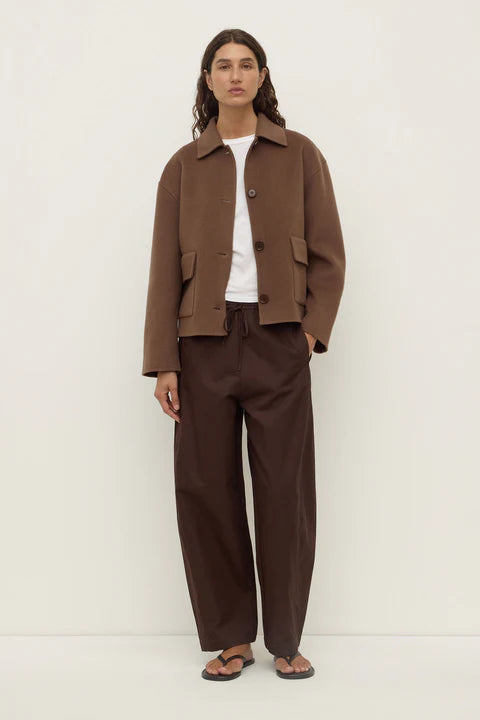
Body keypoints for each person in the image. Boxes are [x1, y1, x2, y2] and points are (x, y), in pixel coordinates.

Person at [142, 28, 346, 681]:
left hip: (279, 338)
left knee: (285, 490)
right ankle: (232, 637)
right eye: (223, 65)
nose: (235, 75)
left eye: (246, 64)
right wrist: (164, 360)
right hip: (201, 344)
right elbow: (162, 271)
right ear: (208, 79)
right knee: (207, 488)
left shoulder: (299, 154)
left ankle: (285, 638)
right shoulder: (183, 166)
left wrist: (308, 335)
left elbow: (329, 255)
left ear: (262, 76)